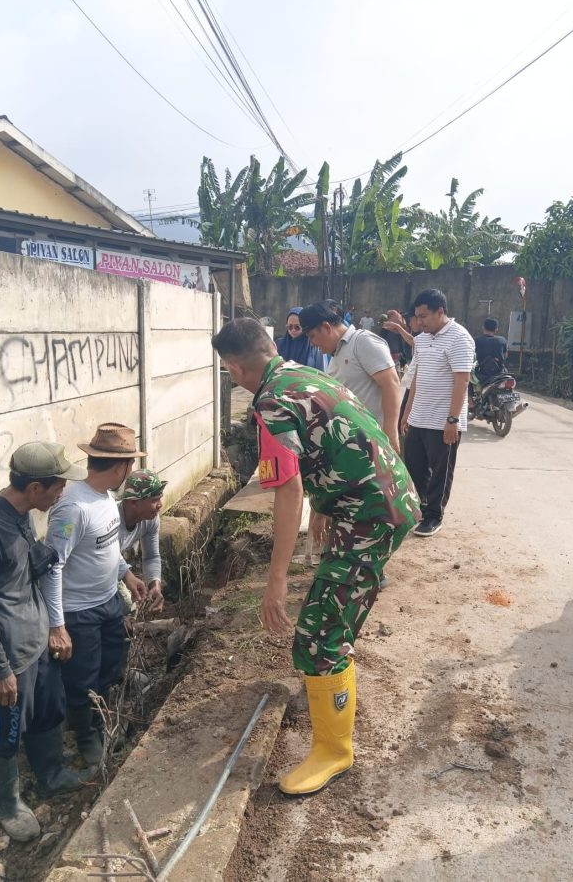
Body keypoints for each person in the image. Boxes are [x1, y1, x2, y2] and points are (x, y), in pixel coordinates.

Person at [211, 318, 420, 797]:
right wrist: (325, 506)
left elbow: (288, 491)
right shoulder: (304, 374)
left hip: (369, 516)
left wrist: (276, 580)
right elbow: (334, 443)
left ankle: (333, 751)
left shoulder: (271, 402)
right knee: (332, 615)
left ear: (235, 368)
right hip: (383, 499)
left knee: (318, 634)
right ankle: (333, 681)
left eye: (227, 370)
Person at [0, 442, 89, 841]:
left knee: (46, 711)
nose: (63, 492)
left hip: (36, 642)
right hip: (8, 656)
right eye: (58, 486)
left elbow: (24, 569)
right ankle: (8, 803)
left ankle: (51, 773)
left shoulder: (22, 515)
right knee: (4, 730)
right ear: (35, 488)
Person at [42, 423, 147, 765]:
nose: (131, 470)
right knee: (83, 677)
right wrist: (57, 626)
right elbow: (53, 567)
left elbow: (108, 548)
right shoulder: (73, 508)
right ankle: (86, 735)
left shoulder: (106, 497)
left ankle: (97, 721)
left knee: (109, 667)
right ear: (121, 467)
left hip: (108, 602)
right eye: (131, 464)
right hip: (79, 611)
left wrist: (127, 574)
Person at [400, 289, 475, 538]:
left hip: (443, 420)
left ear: (440, 312)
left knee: (440, 472)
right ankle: (418, 509)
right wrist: (407, 412)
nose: (419, 322)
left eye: (424, 316)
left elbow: (462, 381)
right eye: (417, 317)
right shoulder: (421, 339)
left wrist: (452, 420)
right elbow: (417, 378)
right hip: (419, 417)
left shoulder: (459, 338)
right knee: (415, 466)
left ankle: (434, 516)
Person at [299, 302, 402, 454]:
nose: (312, 344)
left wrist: (391, 434)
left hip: (374, 441)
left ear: (327, 327)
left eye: (312, 336)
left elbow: (391, 384)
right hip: (353, 443)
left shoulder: (362, 341)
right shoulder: (336, 355)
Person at [118, 469, 167, 614]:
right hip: (87, 578)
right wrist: (128, 577)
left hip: (113, 566)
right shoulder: (111, 519)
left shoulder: (151, 520)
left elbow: (151, 556)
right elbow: (107, 559)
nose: (160, 505)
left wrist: (155, 585)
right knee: (124, 609)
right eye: (154, 500)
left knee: (128, 609)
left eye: (160, 498)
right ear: (133, 502)